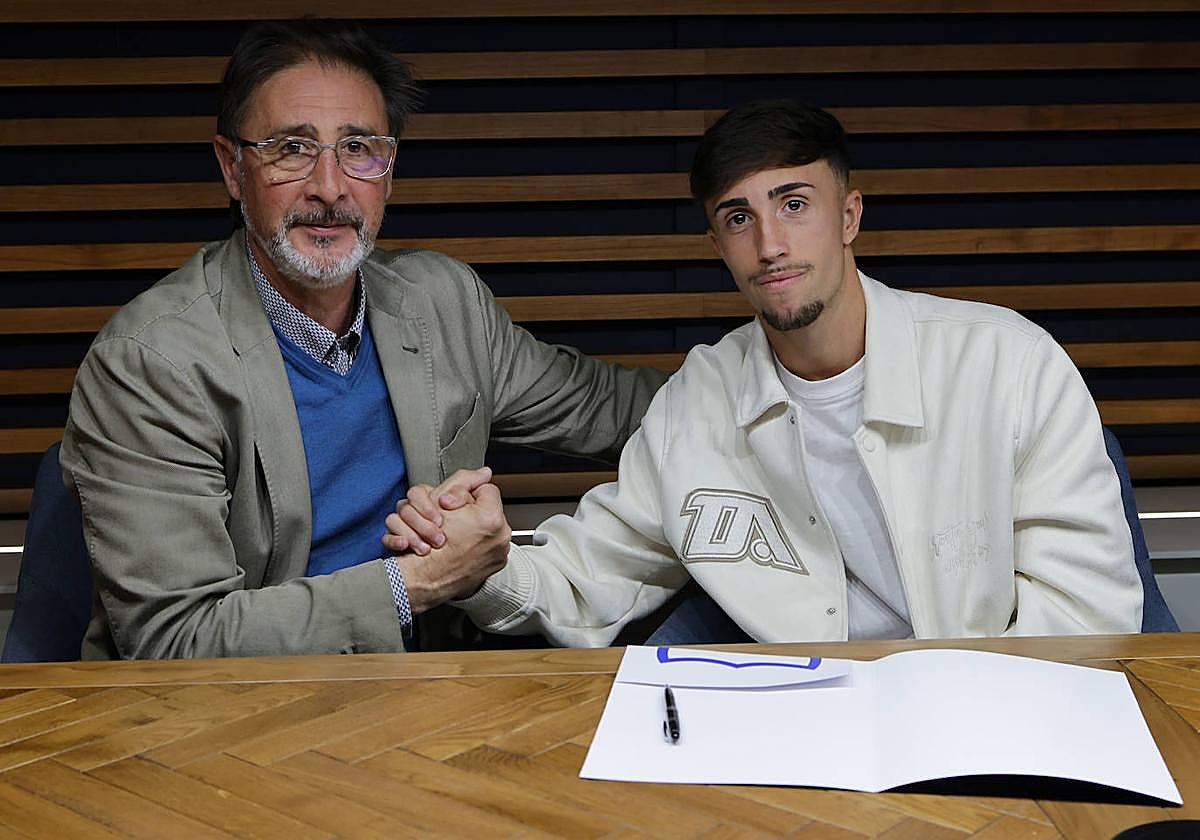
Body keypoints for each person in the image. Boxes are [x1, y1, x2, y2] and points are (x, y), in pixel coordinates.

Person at [397, 100, 1143, 644]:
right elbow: (589, 577)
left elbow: (1087, 616)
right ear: (719, 243)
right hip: (807, 729)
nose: (771, 244)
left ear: (849, 216)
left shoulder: (1008, 362)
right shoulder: (699, 399)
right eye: (739, 218)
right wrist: (479, 562)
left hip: (997, 720)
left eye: (794, 203)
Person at [59, 19, 665, 660]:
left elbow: (625, 412)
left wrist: (775, 388)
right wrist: (417, 583)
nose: (329, 187)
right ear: (233, 168)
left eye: (359, 149)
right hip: (236, 718)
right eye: (291, 148)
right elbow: (175, 643)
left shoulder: (443, 303)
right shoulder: (149, 362)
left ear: (389, 168)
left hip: (431, 696)